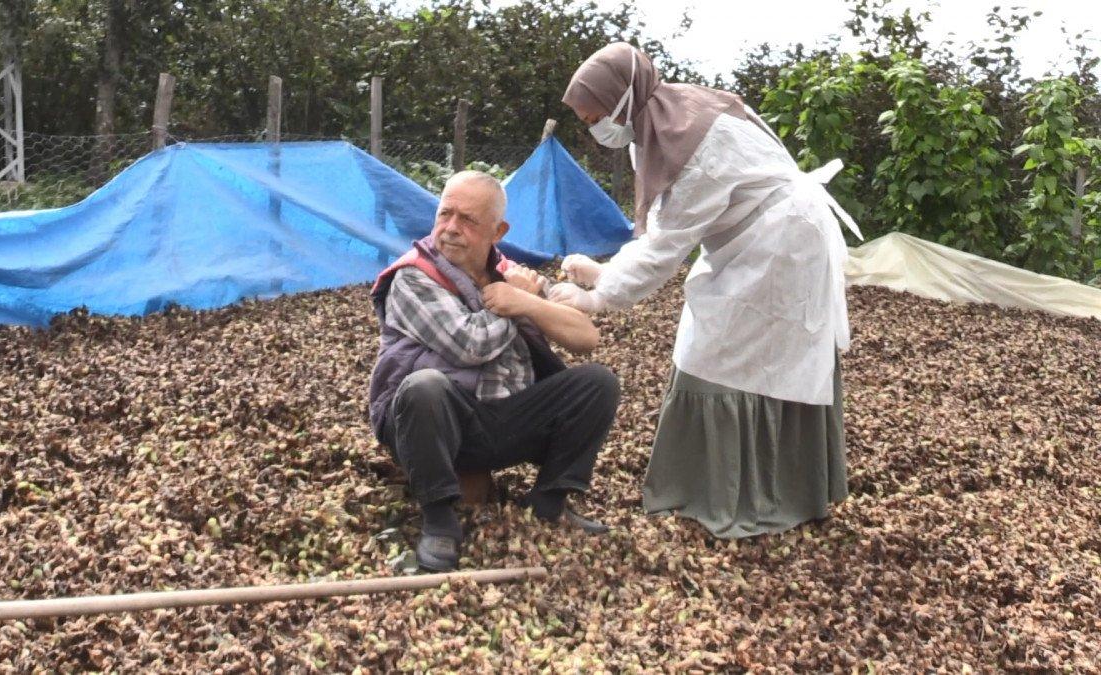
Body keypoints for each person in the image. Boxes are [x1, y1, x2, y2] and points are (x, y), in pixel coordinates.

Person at [549, 42, 861, 538]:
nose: (593, 129)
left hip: (782, 247)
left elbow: (668, 246)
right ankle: (712, 486)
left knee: (723, 353)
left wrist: (600, 298)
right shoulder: (656, 123)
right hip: (751, 239)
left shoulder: (696, 142)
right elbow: (659, 226)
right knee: (718, 349)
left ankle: (749, 495)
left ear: (623, 99)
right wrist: (607, 271)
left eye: (595, 117)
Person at [368, 170, 620, 571]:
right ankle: (438, 521)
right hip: (434, 428)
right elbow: (470, 345)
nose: (450, 228)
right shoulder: (412, 278)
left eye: (466, 220)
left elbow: (585, 337)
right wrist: (517, 300)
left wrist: (527, 301)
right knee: (424, 387)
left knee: (597, 383)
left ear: (497, 230)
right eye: (444, 214)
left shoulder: (508, 271)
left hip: (503, 419)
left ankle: (549, 502)